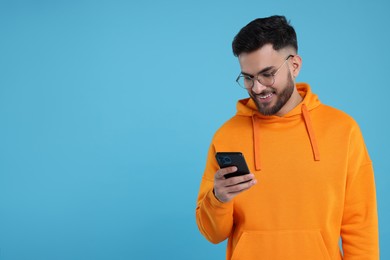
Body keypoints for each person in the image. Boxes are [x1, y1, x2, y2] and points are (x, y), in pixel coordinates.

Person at [195, 15, 379, 259]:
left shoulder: (343, 130)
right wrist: (219, 198)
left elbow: (361, 228)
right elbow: (212, 234)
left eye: (267, 74)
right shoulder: (227, 136)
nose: (257, 88)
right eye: (248, 77)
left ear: (295, 65)